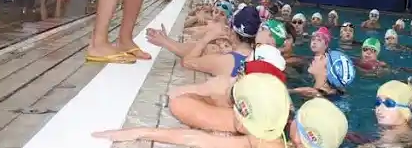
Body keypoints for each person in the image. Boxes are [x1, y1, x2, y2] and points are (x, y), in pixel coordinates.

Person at [94, 72, 292, 147]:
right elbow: (199, 140)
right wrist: (141, 132)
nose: (232, 110)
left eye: (235, 106)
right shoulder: (265, 135)